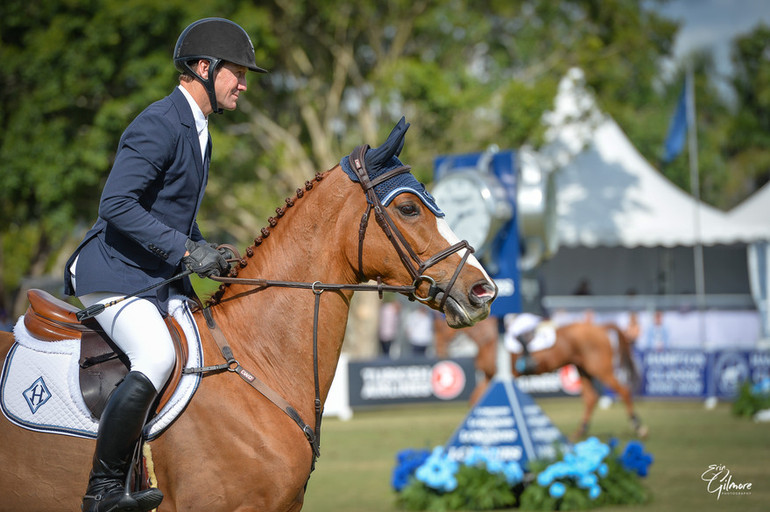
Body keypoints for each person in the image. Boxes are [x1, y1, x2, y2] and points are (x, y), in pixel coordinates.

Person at [63, 18, 267, 512]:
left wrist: (206, 250)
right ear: (204, 67)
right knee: (156, 357)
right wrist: (183, 251)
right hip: (112, 273)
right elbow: (117, 204)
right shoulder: (159, 122)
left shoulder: (200, 131)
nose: (243, 83)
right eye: (236, 73)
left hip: (153, 280)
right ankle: (103, 492)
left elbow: (172, 213)